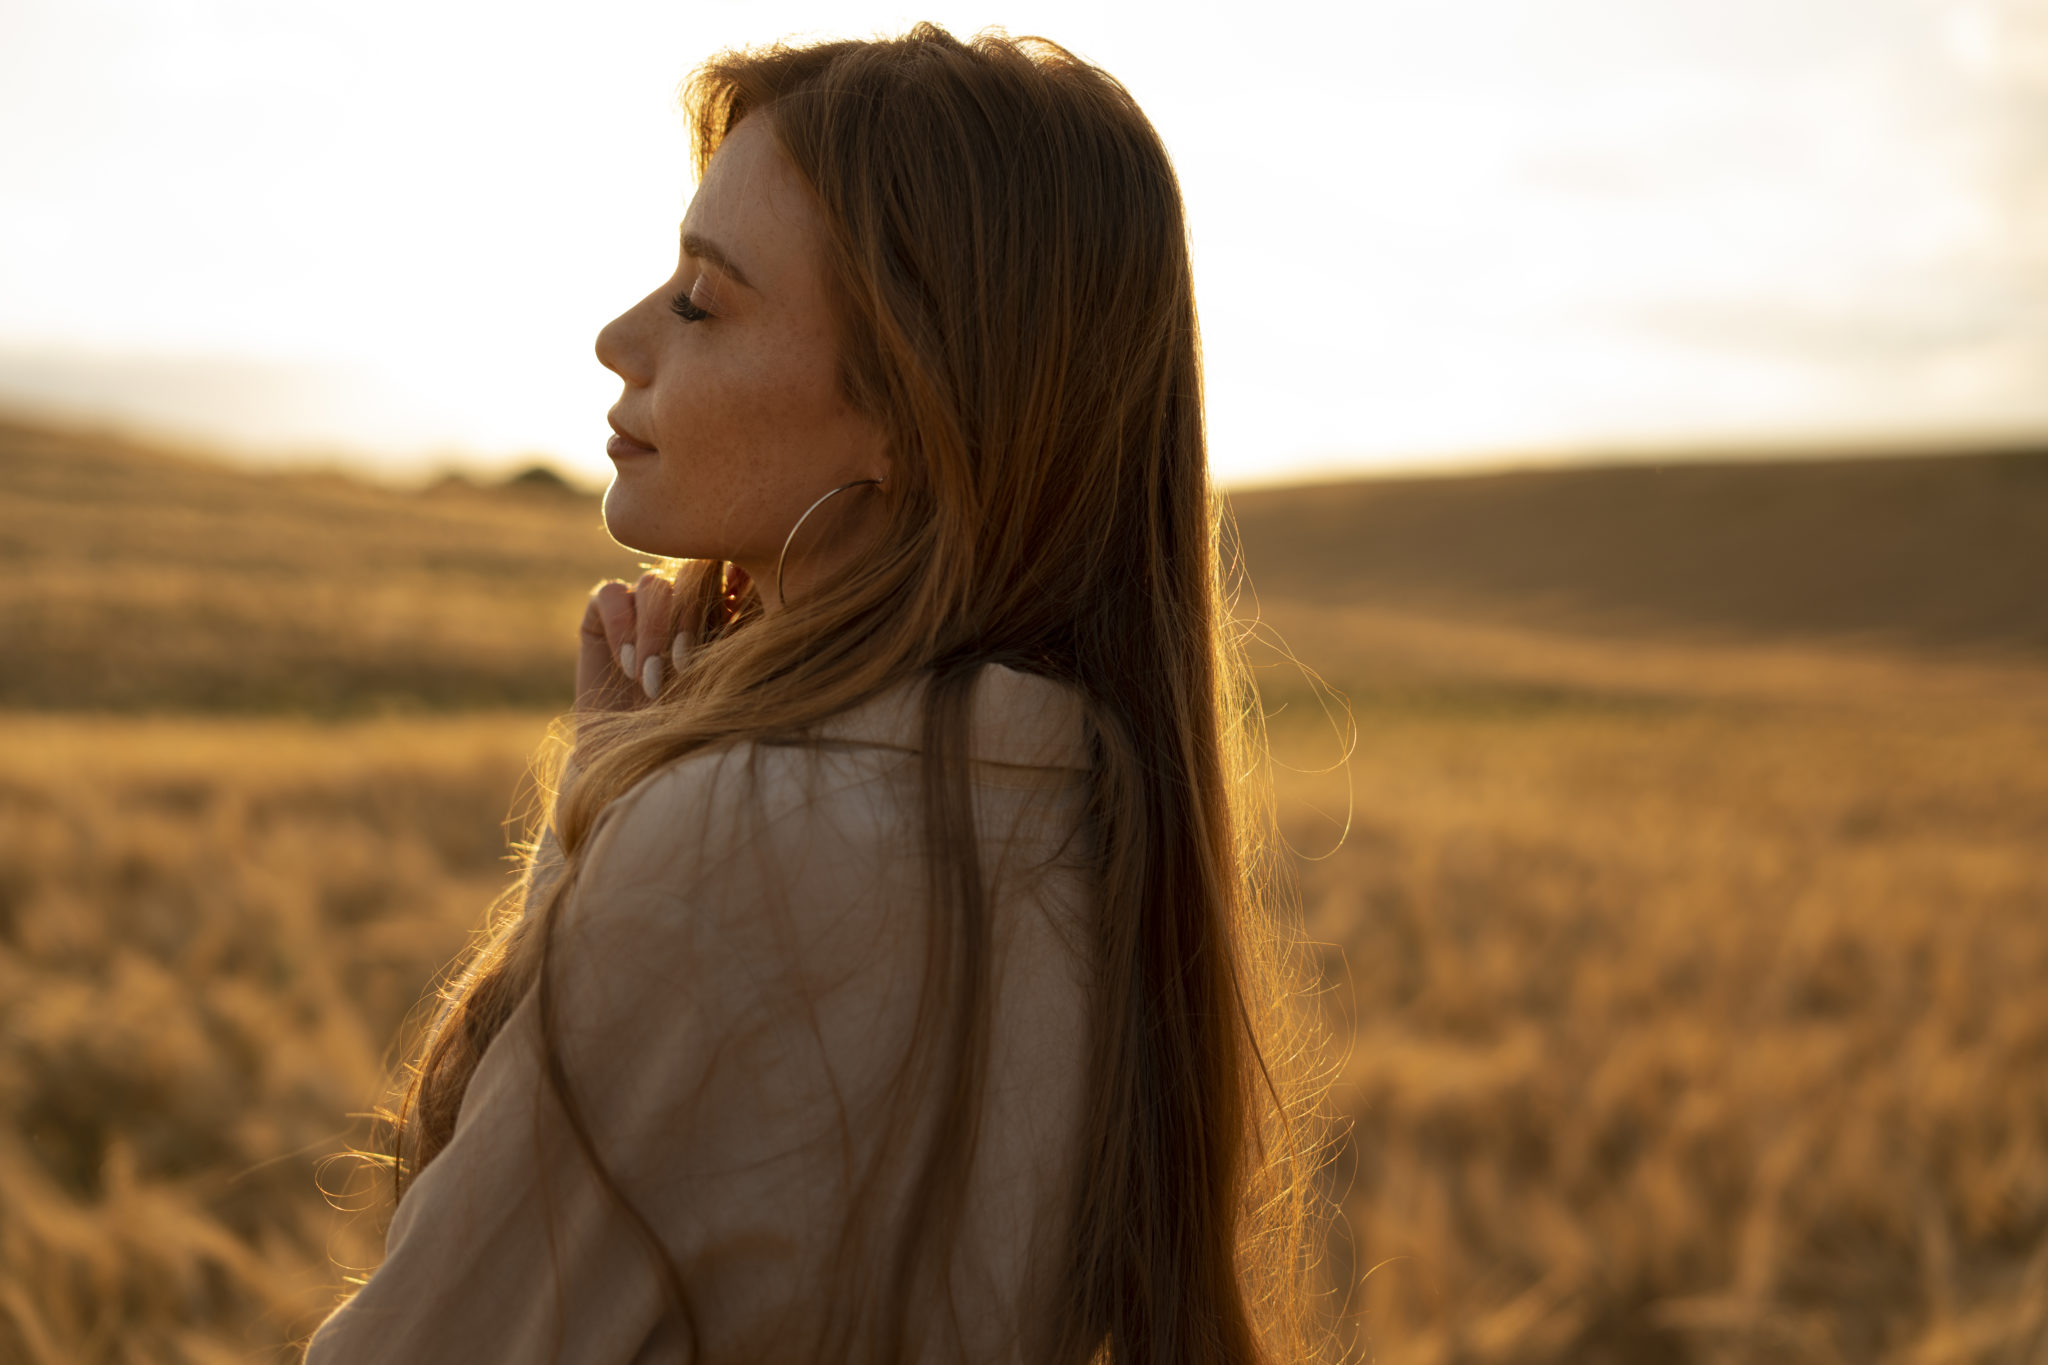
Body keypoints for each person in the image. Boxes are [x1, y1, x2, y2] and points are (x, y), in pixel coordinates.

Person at [303, 23, 1329, 1365]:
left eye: (700, 300)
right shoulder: (1092, 801)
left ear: (913, 403)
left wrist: (601, 846)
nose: (618, 338)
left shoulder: (733, 839)